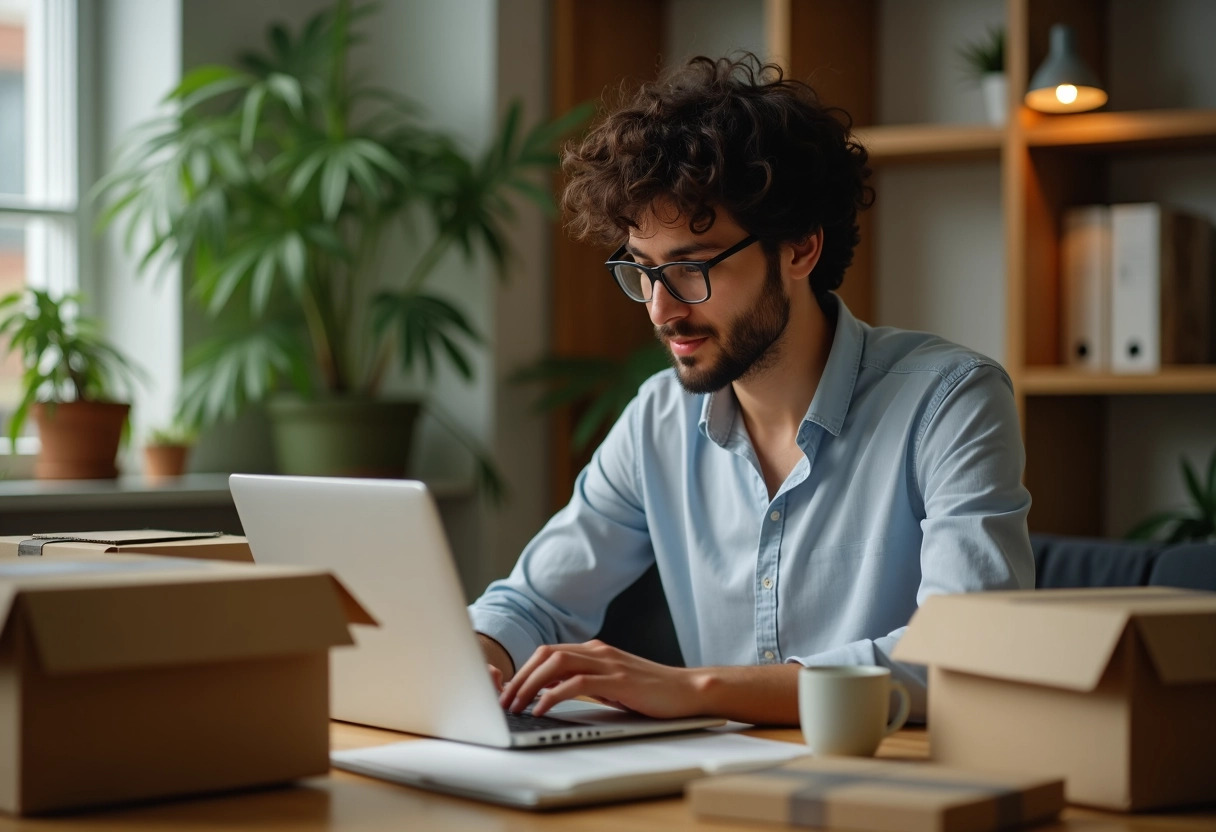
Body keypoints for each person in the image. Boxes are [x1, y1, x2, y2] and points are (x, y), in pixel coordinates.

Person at [469, 53, 1033, 726]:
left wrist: (697, 690)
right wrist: (479, 655)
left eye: (691, 269)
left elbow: (964, 657)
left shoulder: (950, 402)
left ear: (799, 249)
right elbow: (534, 603)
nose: (660, 309)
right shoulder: (659, 419)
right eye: (643, 271)